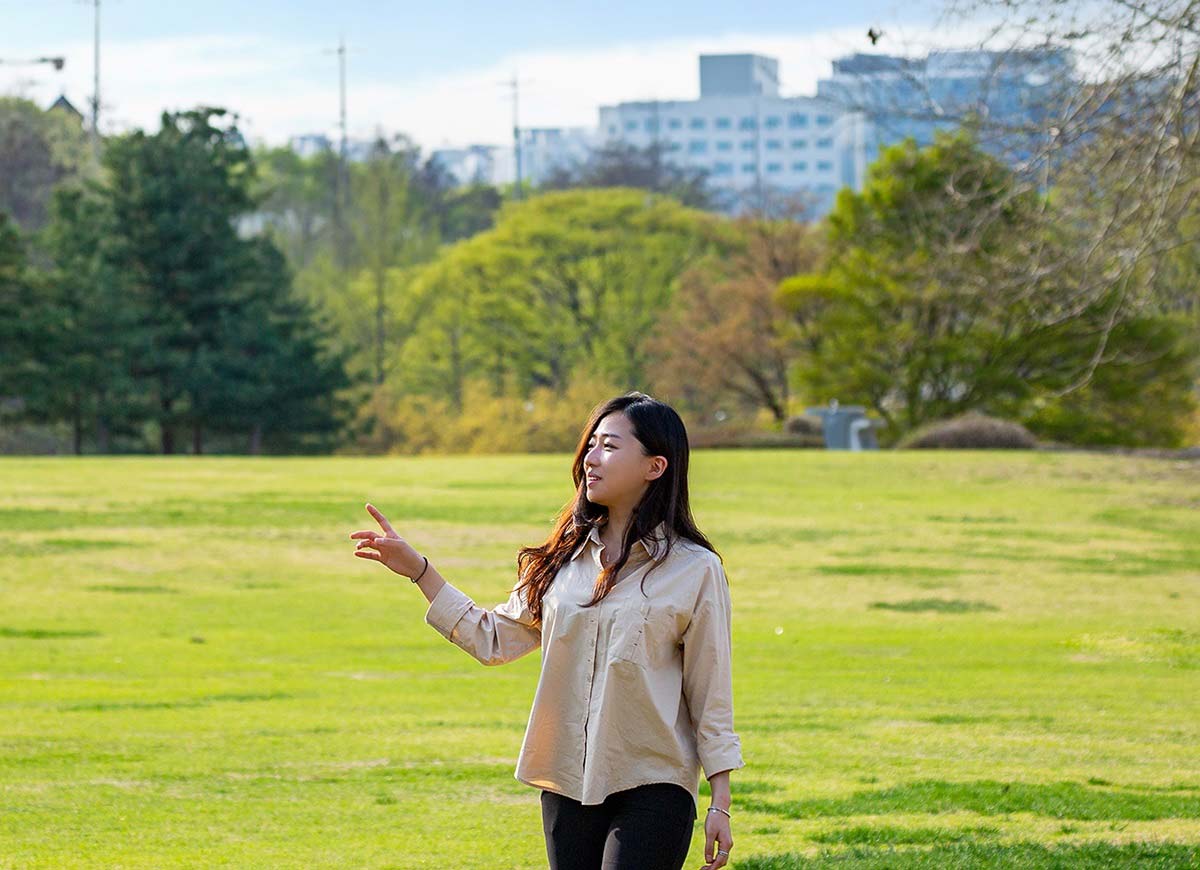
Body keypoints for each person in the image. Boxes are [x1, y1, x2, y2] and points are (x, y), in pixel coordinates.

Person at [350, 391, 744, 870]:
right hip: (566, 781)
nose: (590, 459)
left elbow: (710, 692)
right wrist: (420, 571)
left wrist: (720, 801)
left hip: (655, 783)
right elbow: (493, 638)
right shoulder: (562, 561)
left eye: (610, 446)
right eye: (591, 445)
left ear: (655, 466)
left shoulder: (695, 569)